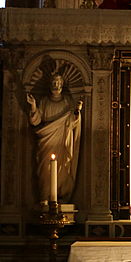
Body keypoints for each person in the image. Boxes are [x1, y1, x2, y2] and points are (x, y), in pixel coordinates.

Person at [26, 73, 83, 203]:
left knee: (62, 168)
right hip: (46, 140)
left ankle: (60, 196)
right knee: (46, 169)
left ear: (62, 85)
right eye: (53, 83)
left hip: (62, 140)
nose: (55, 86)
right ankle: (45, 197)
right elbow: (35, 121)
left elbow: (73, 121)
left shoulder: (67, 101)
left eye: (58, 83)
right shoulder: (44, 101)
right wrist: (33, 105)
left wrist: (76, 111)